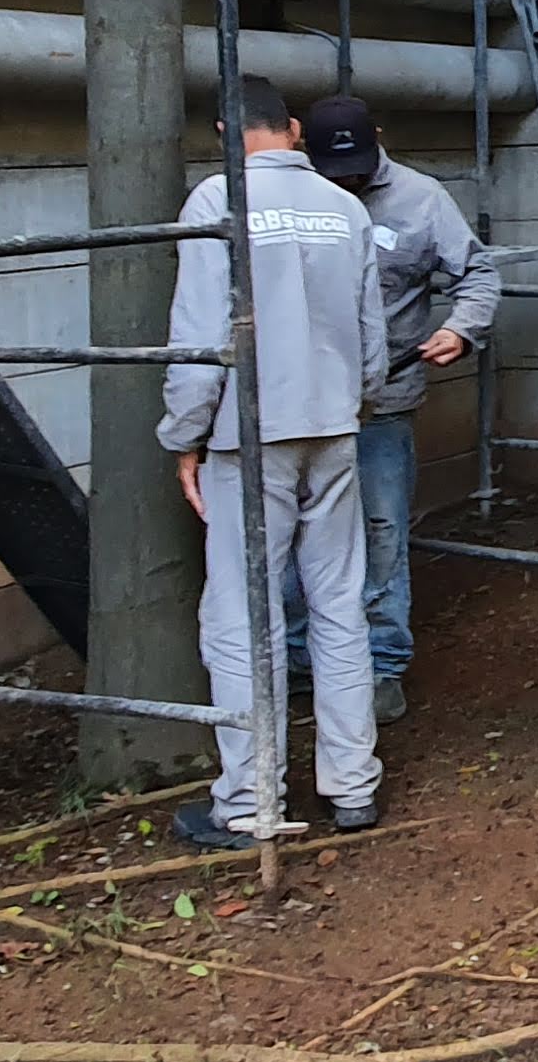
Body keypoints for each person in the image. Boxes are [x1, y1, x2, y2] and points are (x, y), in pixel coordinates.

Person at [157, 75, 381, 847]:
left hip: (248, 435)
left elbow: (198, 337)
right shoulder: (345, 207)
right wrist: (352, 400)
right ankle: (352, 787)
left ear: (225, 129)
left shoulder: (217, 202)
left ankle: (250, 801)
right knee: (339, 604)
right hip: (335, 424)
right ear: (290, 128)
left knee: (240, 617)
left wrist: (182, 435)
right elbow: (373, 341)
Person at [295, 94, 496, 720]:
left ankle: (381, 666)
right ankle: (305, 662)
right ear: (303, 148)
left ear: (378, 138)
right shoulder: (293, 199)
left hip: (383, 400)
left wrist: (462, 329)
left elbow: (478, 273)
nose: (346, 180)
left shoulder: (421, 198)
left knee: (381, 532)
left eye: (356, 167)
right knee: (299, 534)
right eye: (334, 169)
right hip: (301, 406)